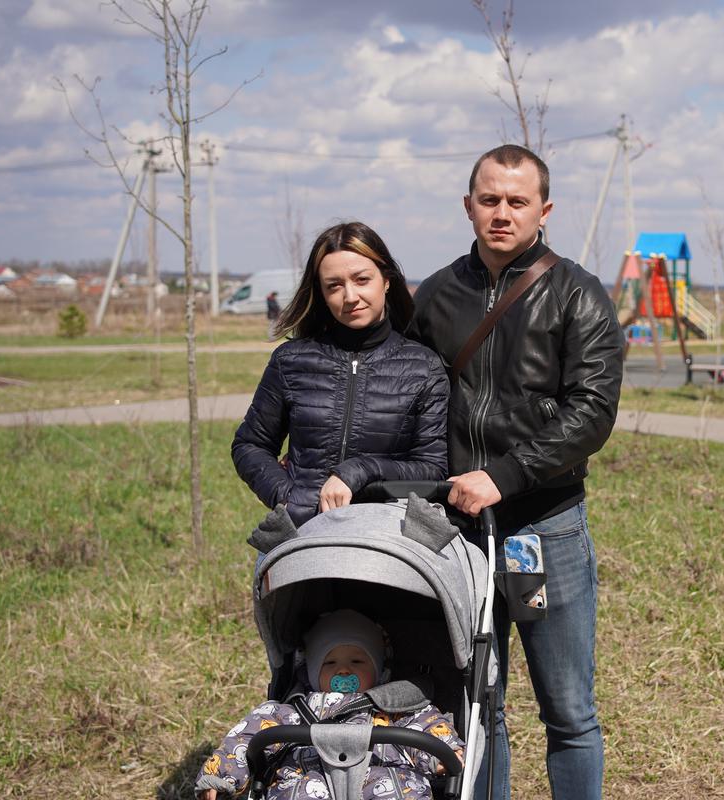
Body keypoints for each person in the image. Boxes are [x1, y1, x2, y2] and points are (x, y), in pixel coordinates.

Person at [408, 145, 624, 800]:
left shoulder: (578, 294)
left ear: (544, 209)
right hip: (457, 533)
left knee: (568, 710)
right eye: (490, 199)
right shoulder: (438, 295)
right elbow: (410, 394)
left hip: (543, 529)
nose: (502, 213)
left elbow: (592, 412)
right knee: (479, 705)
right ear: (469, 205)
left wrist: (505, 473)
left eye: (517, 201)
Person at [233, 221, 448, 529]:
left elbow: (432, 468)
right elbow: (250, 445)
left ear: (386, 280)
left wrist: (360, 470)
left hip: (390, 536)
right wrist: (289, 498)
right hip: (302, 532)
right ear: (321, 293)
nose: (350, 296)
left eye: (362, 280)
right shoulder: (291, 360)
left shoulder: (423, 367)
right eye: (334, 285)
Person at [194, 609, 465, 800]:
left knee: (400, 788)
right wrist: (221, 775)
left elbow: (429, 727)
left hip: (384, 775)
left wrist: (444, 754)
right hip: (308, 779)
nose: (344, 671)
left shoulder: (398, 705)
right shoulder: (288, 710)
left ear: (380, 671)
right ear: (311, 670)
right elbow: (246, 737)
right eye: (330, 662)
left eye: (357, 662)